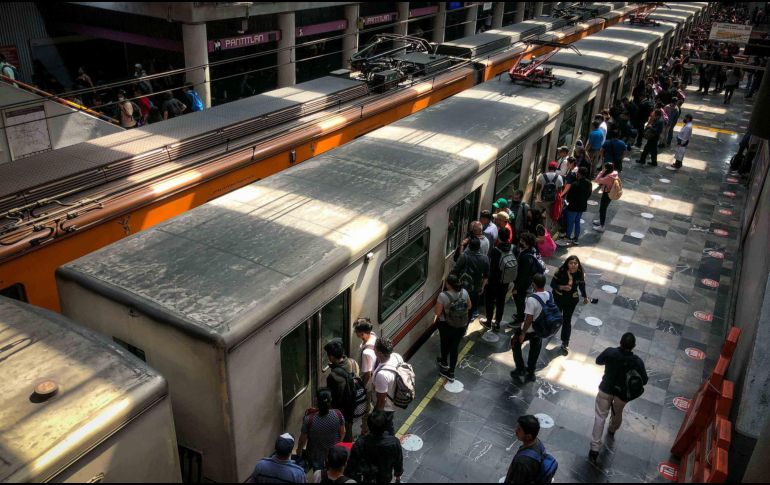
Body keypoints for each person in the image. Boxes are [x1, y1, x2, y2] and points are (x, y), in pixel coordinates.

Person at [589, 333, 648, 463]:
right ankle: (612, 429)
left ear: (620, 342)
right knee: (617, 413)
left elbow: (598, 361)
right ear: (634, 346)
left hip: (606, 389)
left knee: (600, 417)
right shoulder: (637, 361)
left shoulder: (611, 352)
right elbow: (644, 380)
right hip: (622, 395)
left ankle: (594, 448)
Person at [511, 273, 549, 384]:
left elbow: (529, 318)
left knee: (515, 343)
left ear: (533, 284)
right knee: (535, 349)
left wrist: (523, 333)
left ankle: (520, 369)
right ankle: (531, 373)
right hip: (540, 329)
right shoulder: (548, 295)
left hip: (530, 329)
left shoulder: (531, 299)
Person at [346, 412, 403, 484]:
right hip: (385, 476)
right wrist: (398, 476)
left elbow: (352, 464)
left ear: (369, 426)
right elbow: (398, 461)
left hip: (366, 477)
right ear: (386, 425)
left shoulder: (360, 443)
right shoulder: (394, 442)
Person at [298, 389, 346, 472]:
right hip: (332, 453)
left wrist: (299, 450)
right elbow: (343, 432)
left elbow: (303, 440)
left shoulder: (309, 419)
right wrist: (336, 445)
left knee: (318, 472)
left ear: (316, 402)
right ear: (330, 401)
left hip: (315, 455)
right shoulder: (338, 414)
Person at [435, 274, 471, 382]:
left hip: (446, 324)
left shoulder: (443, 296)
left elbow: (437, 312)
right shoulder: (464, 292)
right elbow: (469, 306)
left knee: (444, 343)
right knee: (454, 347)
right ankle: (451, 371)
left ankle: (445, 364)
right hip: (461, 325)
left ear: (449, 285)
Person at [324, 339, 362, 442]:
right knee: (348, 431)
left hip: (342, 413)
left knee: (342, 436)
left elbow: (335, 399)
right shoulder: (352, 362)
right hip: (353, 406)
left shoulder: (333, 376)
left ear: (332, 357)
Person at [550, 256, 588, 355]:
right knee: (557, 317)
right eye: (571, 263)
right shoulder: (560, 271)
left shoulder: (580, 273)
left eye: (575, 263)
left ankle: (565, 342)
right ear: (567, 264)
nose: (573, 265)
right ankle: (551, 330)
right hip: (559, 298)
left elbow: (582, 285)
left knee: (567, 320)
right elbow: (552, 284)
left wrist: (585, 296)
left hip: (571, 300)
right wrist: (562, 287)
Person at [452, 237, 490, 322]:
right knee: (471, 308)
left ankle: (458, 322)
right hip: (476, 288)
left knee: (459, 306)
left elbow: (455, 270)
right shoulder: (485, 258)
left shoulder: (464, 257)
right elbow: (486, 276)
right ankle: (467, 322)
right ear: (479, 247)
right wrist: (482, 287)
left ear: (469, 246)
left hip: (462, 288)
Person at [486, 227, 516, 332]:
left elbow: (492, 267)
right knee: (501, 302)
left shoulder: (496, 250)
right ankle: (497, 322)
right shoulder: (513, 248)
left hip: (494, 281)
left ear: (499, 237)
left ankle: (488, 321)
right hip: (505, 280)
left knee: (490, 301)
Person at [371, 338, 403, 436]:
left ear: (380, 353)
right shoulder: (396, 356)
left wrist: (376, 415)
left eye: (375, 348)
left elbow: (382, 400)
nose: (373, 349)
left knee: (386, 428)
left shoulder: (382, 375)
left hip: (386, 408)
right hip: (394, 399)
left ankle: (391, 441)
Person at [505, 415, 551, 483]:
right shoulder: (538, 443)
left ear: (528, 437)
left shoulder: (522, 462)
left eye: (519, 429)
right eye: (517, 427)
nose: (516, 430)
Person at [512, 232, 543, 326]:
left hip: (523, 283)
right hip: (528, 281)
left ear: (527, 243)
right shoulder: (532, 250)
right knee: (520, 300)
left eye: (522, 241)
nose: (520, 242)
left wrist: (516, 288)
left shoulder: (525, 257)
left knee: (519, 300)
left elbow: (523, 275)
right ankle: (520, 314)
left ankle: (520, 319)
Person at [353, 318, 377, 435]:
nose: (355, 334)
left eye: (356, 332)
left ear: (362, 333)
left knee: (366, 409)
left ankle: (365, 430)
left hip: (368, 385)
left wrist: (361, 387)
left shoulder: (367, 353)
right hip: (372, 381)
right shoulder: (373, 336)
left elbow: (367, 374)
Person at [564, 167, 592, 245]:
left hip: (573, 206)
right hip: (582, 206)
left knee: (570, 222)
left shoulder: (575, 184)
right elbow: (589, 194)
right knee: (577, 221)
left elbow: (569, 197)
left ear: (579, 173)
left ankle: (568, 237)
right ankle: (576, 238)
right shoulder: (589, 183)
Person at [535, 162, 564, 234]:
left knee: (537, 214)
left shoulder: (542, 176)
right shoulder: (559, 177)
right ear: (556, 169)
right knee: (549, 216)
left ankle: (536, 227)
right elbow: (559, 191)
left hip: (540, 200)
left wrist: (536, 196)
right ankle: (547, 232)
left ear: (548, 168)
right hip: (551, 201)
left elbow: (538, 188)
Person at [593, 162, 619, 233]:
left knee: (603, 209)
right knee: (603, 208)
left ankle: (602, 226)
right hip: (609, 192)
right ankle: (601, 220)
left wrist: (602, 171)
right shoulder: (614, 173)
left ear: (607, 169)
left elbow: (597, 180)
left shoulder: (609, 177)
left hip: (607, 194)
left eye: (605, 168)